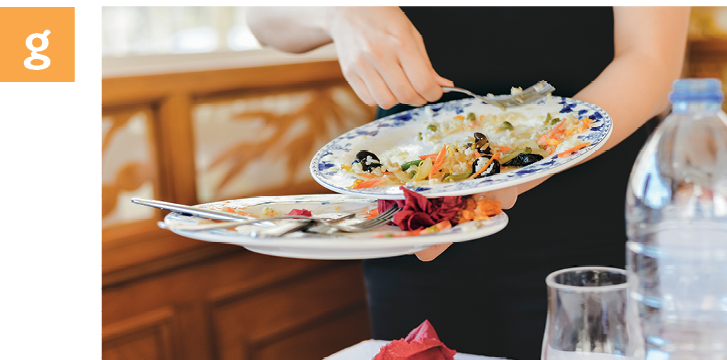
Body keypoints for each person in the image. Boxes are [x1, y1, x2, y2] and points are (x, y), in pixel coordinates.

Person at [248, 6, 690, 359]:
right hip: (409, 222)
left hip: (584, 221)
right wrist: (339, 12)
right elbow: (263, 21)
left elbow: (650, 59)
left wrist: (528, 162)